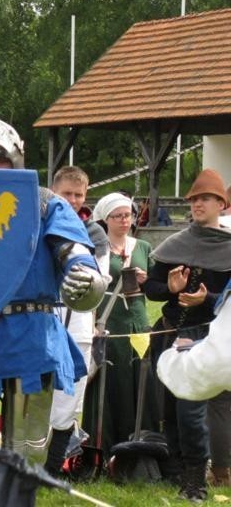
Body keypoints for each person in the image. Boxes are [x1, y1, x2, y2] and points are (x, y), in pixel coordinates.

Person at [0, 108, 106, 507]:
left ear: (17, 159)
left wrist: (84, 273)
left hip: (30, 335)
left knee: (24, 448)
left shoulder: (45, 204)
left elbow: (74, 249)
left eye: (1, 160)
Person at [145, 168, 231, 500]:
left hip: (204, 336)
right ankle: (178, 473)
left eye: (205, 198)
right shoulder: (175, 243)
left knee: (190, 408)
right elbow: (151, 288)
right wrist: (168, 287)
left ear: (220, 204)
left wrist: (206, 299)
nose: (197, 204)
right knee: (168, 408)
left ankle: (196, 481)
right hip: (167, 333)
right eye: (194, 199)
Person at [44, 166, 111, 476]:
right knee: (36, 398)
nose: (72, 200)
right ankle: (28, 463)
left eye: (78, 195)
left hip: (79, 326)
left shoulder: (95, 233)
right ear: (53, 191)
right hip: (42, 321)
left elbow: (96, 282)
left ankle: (53, 469)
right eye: (66, 193)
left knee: (68, 402)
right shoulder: (38, 224)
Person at [80, 193, 155, 461]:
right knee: (108, 384)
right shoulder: (96, 248)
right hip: (108, 323)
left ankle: (138, 448)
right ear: (105, 219)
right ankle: (103, 447)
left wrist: (148, 281)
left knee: (138, 382)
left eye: (128, 215)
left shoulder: (143, 247)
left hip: (137, 322)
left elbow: (157, 290)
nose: (125, 221)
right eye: (118, 216)